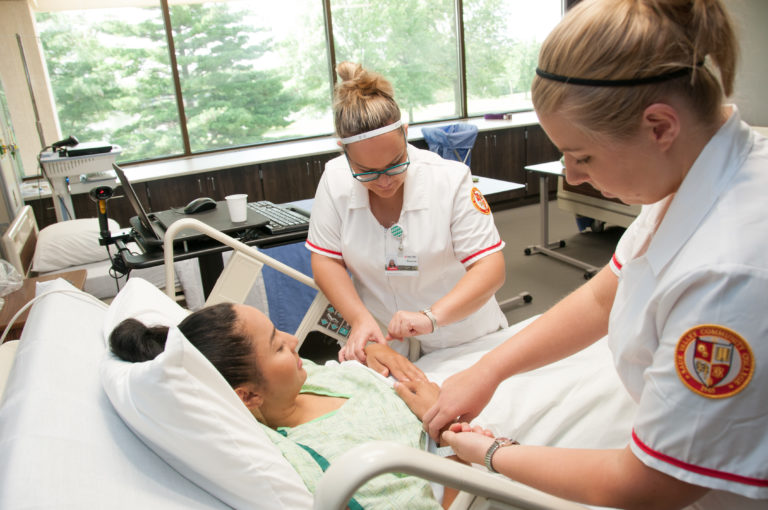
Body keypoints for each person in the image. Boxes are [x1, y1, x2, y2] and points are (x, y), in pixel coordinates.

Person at [423, 1, 768, 509]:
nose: (573, 177)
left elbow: (650, 484)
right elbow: (605, 296)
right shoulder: (690, 173)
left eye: (583, 156)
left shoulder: (732, 271)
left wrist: (493, 453)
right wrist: (488, 369)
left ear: (659, 127)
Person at [109, 302, 464, 509]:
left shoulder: (301, 380)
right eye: (277, 346)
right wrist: (447, 431)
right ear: (247, 396)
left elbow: (342, 368)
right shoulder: (320, 457)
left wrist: (371, 351)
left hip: (441, 390)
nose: (295, 340)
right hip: (468, 451)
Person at [306, 61, 508, 364]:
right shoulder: (335, 179)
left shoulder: (450, 180)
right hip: (382, 339)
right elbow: (326, 259)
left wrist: (432, 317)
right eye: (367, 172)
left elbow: (490, 267)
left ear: (405, 131)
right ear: (343, 151)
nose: (385, 181)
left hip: (460, 335)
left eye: (395, 163)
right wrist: (359, 318)